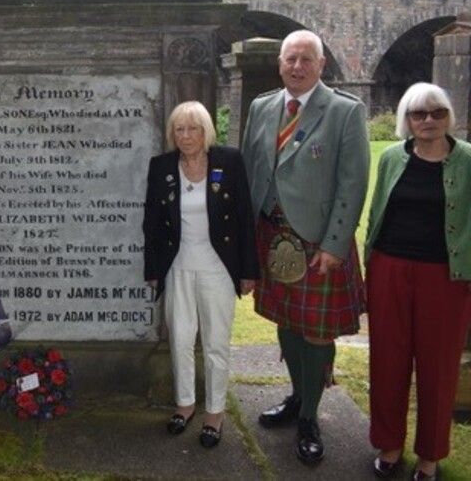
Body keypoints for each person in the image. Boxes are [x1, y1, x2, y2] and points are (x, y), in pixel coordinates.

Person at [241, 29, 368, 465]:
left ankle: (311, 416)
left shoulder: (344, 111)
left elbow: (352, 183)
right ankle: (297, 395)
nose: (297, 67)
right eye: (290, 59)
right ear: (280, 63)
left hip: (317, 241)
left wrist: (334, 244)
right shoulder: (261, 108)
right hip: (270, 235)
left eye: (305, 60)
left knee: (316, 330)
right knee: (286, 321)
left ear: (321, 65)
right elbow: (250, 173)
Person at [365, 82, 471, 481]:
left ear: (449, 117)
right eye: (419, 114)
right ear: (406, 120)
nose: (428, 120)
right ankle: (389, 445)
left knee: (438, 368)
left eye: (437, 112)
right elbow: (377, 213)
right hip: (389, 269)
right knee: (388, 362)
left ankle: (430, 456)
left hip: (445, 278)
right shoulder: (392, 158)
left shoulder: (468, 161)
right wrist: (369, 267)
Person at [143, 101, 258, 448]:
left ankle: (215, 412)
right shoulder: (161, 166)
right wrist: (152, 269)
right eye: (179, 129)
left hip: (218, 268)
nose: (186, 135)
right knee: (179, 339)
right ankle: (185, 405)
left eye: (193, 128)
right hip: (176, 266)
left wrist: (249, 271)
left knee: (215, 343)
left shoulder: (229, 161)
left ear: (206, 130)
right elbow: (150, 224)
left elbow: (244, 218)